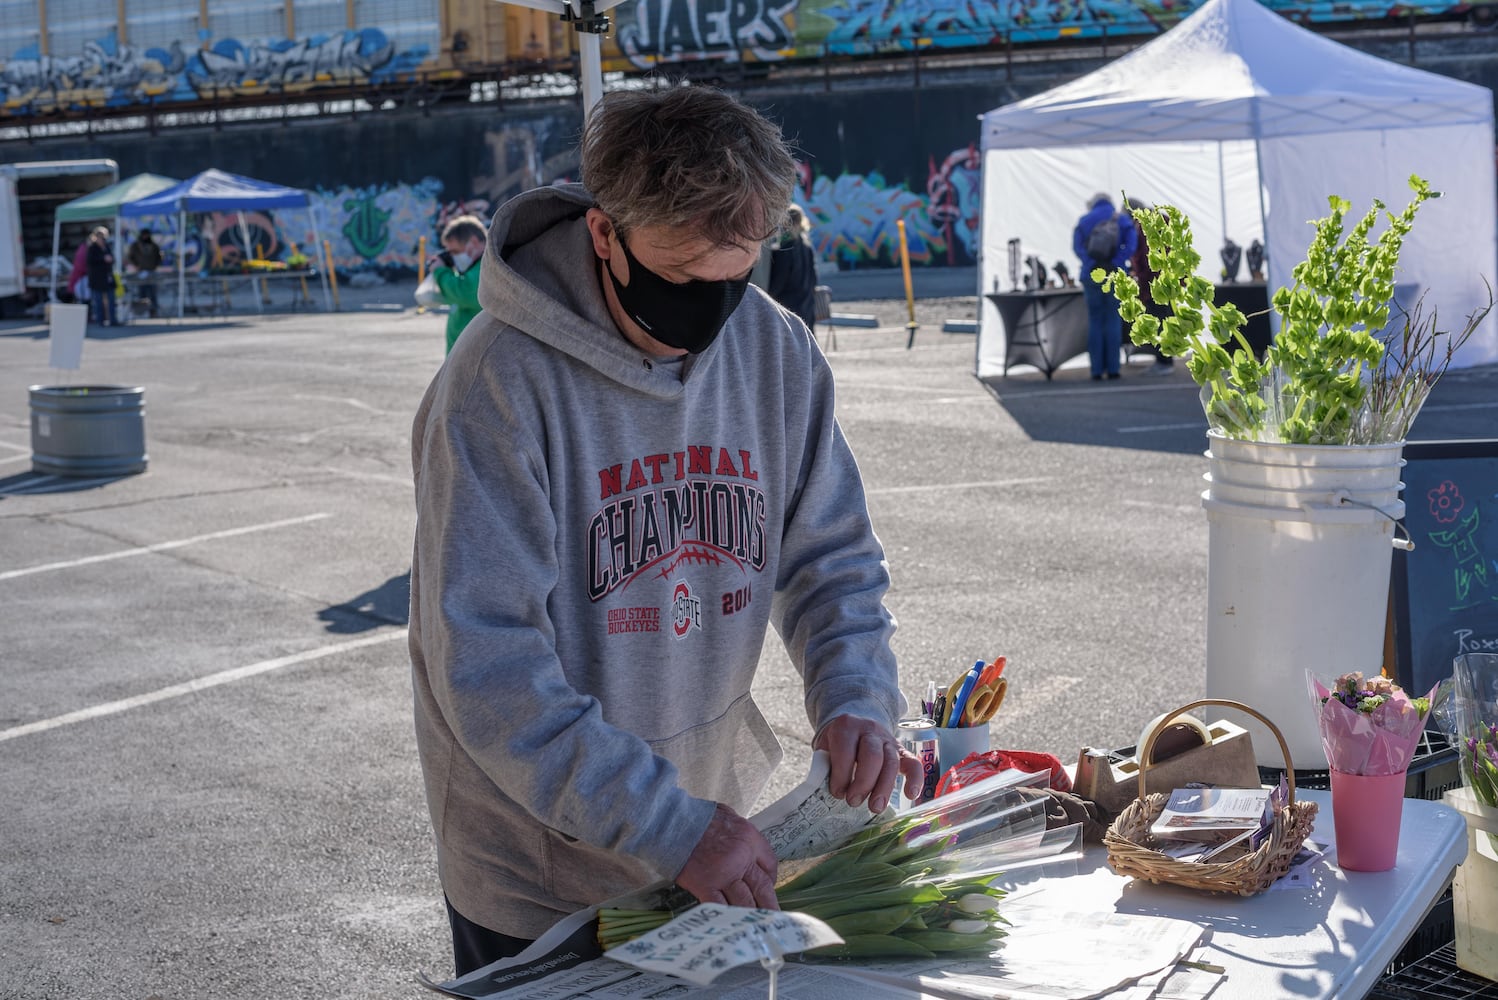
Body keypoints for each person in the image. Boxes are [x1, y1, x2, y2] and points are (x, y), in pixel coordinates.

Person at [409, 86, 921, 976]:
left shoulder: (775, 349)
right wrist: (665, 822)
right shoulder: (494, 386)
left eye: (739, 275)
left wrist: (856, 697)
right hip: (539, 879)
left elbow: (832, 556)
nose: (713, 314)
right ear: (606, 234)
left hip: (704, 839)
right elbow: (488, 666)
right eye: (683, 280)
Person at [1072, 193, 1137, 380]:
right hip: (1115, 274)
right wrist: (1117, 261)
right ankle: (1114, 369)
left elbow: (1077, 247)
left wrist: (1091, 262)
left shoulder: (1084, 220)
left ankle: (1096, 370)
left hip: (1090, 275)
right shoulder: (1121, 219)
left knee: (1095, 321)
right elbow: (1131, 245)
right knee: (1113, 320)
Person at [1124, 197, 1174, 376]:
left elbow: (1145, 258)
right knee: (1167, 319)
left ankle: (1164, 361)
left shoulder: (1143, 226)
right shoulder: (1163, 220)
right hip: (1169, 279)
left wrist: (1142, 283)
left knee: (1159, 320)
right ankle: (1166, 359)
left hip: (1156, 282)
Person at [429, 215, 487, 354]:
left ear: (473, 242)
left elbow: (463, 292)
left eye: (455, 252)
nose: (453, 258)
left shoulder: (486, 268)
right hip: (462, 359)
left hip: (474, 359)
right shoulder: (472, 268)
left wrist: (440, 272)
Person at [766, 203, 819, 332]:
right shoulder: (807, 247)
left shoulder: (784, 249)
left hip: (788, 309)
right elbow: (814, 279)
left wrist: (766, 299)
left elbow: (778, 283)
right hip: (806, 306)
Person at [126, 228, 163, 318]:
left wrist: (155, 265)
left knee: (152, 293)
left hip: (151, 272)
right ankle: (142, 312)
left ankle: (153, 311)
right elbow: (130, 257)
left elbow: (159, 257)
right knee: (142, 293)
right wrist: (136, 265)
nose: (146, 237)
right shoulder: (135, 246)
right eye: (144, 235)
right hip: (141, 272)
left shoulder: (154, 246)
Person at [85, 226, 117, 327]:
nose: (102, 239)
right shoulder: (92, 248)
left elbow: (112, 259)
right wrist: (103, 259)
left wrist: (109, 259)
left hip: (108, 277)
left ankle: (113, 320)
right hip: (97, 279)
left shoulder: (107, 247)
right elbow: (90, 261)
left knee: (111, 300)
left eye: (103, 237)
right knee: (98, 302)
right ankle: (100, 321)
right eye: (99, 237)